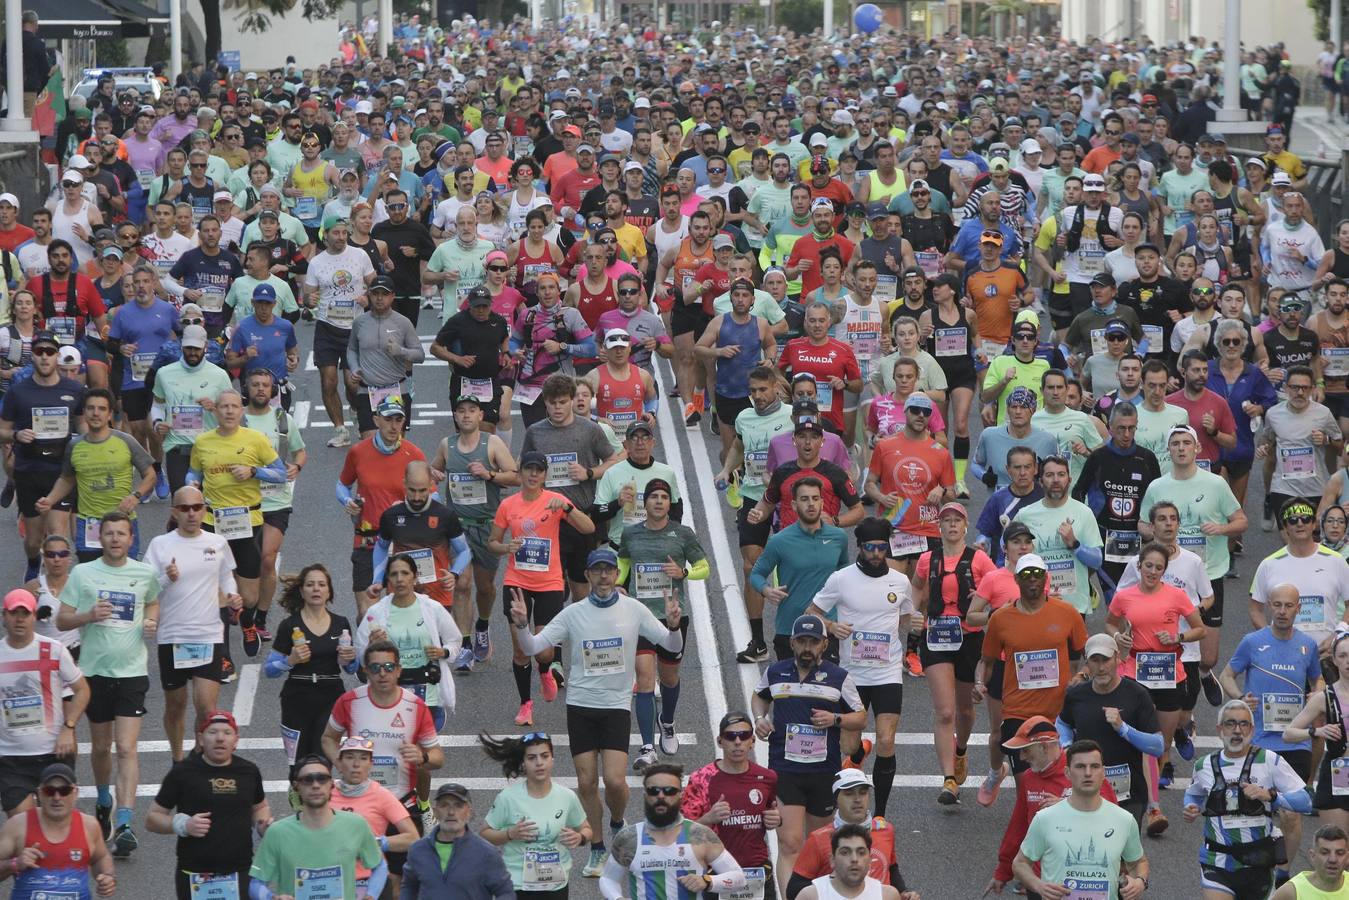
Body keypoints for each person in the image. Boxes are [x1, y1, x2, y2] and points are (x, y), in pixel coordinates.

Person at [509, 546, 683, 878]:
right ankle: (599, 847)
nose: (604, 576)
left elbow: (671, 646)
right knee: (587, 782)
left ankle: (617, 822)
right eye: (597, 570)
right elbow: (533, 647)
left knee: (616, 782)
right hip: (581, 706)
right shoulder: (573, 613)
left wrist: (673, 627)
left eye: (609, 570)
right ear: (587, 575)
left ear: (616, 574)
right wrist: (521, 626)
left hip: (616, 706)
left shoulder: (634, 609)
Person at [54, 510, 158, 856]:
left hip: (132, 672)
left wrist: (152, 621)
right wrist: (88, 616)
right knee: (101, 748)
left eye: (121, 534)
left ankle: (125, 822)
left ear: (131, 539)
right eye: (109, 533)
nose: (115, 539)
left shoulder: (144, 573)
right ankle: (102, 798)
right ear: (100, 538)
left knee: (127, 748)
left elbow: (153, 601)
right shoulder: (83, 573)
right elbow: (62, 616)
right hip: (94, 672)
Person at [752, 614, 866, 884]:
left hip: (823, 772)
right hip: (785, 769)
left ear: (824, 645)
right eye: (801, 641)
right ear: (792, 643)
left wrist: (835, 719)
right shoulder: (776, 672)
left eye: (812, 642)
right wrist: (760, 719)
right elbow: (759, 696)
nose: (807, 647)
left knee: (820, 846)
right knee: (790, 843)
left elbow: (860, 717)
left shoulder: (839, 678)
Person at [1221, 583, 1323, 881]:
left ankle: (1283, 872)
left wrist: (1313, 699)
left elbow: (1317, 680)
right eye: (1276, 605)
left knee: (1291, 812)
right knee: (1252, 807)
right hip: (1259, 740)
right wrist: (1239, 697)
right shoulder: (1252, 642)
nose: (1281, 611)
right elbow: (1227, 674)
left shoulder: (1308, 645)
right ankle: (1250, 866)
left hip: (1294, 742)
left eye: (1288, 605)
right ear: (1268, 606)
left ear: (1298, 609)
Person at [142, 486, 241, 761]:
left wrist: (232, 595)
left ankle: (199, 757)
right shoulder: (160, 545)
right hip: (173, 636)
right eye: (184, 508)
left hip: (208, 634)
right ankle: (177, 759)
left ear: (204, 509)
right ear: (174, 511)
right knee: (175, 705)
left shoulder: (217, 542)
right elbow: (146, 590)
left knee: (206, 708)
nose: (191, 513)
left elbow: (226, 577)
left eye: (197, 507)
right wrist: (165, 577)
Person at [186, 389, 287, 656]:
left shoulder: (256, 439)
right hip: (212, 523)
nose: (229, 411)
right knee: (216, 591)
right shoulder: (203, 442)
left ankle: (248, 621)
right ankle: (224, 657)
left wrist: (254, 471)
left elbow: (281, 473)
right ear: (215, 411)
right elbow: (193, 472)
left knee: (249, 594)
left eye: (234, 406)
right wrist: (192, 484)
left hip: (247, 522)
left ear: (241, 411)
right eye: (224, 407)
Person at [909, 503, 996, 804]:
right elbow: (917, 588)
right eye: (946, 521)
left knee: (965, 711)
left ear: (965, 524)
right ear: (939, 527)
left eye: (957, 520)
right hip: (936, 637)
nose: (951, 526)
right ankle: (948, 780)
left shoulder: (980, 560)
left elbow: (998, 590)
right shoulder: (926, 560)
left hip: (969, 639)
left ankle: (961, 750)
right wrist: (913, 614)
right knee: (944, 712)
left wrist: (981, 599)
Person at [617, 476, 704, 768]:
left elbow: (704, 568)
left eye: (663, 497)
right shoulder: (630, 534)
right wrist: (617, 584)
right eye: (653, 497)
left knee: (669, 678)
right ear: (645, 503)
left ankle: (667, 720)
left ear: (669, 504)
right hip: (639, 616)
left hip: (672, 617)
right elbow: (624, 563)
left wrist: (684, 572)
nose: (658, 501)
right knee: (644, 680)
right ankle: (646, 747)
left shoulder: (683, 534)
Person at [1186, 700, 1313, 900]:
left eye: (1243, 724)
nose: (1237, 730)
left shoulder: (1269, 760)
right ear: (1219, 729)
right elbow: (1193, 793)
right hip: (1217, 861)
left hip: (1258, 862)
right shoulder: (1204, 765)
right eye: (1230, 724)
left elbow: (1306, 801)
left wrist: (1271, 796)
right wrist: (1190, 806)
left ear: (1252, 730)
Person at [975, 553, 1089, 774]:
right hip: (1017, 711)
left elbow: (1090, 654)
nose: (1032, 578)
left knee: (1059, 776)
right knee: (1026, 782)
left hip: (1059, 712)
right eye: (1026, 574)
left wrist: (1082, 675)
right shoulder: (1000, 618)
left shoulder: (1067, 613)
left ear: (1045, 577)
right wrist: (979, 683)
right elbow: (986, 661)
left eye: (1037, 573)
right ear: (1016, 579)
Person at [145, 710, 271, 900]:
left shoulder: (248, 771)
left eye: (227, 733)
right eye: (213, 732)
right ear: (201, 739)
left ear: (236, 740)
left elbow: (259, 806)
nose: (220, 738)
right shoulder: (183, 772)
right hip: (195, 873)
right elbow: (152, 818)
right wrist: (183, 825)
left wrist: (262, 824)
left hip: (240, 870)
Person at [431, 395, 518, 666]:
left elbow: (514, 476)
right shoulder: (447, 445)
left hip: (487, 526)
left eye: (472, 410)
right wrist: (434, 475)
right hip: (457, 528)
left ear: (481, 415)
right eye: (461, 411)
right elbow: (433, 470)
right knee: (462, 585)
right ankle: (464, 644)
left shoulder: (491, 443)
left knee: (485, 587)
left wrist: (488, 475)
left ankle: (482, 625)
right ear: (455, 416)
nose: (466, 415)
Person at [717, 365, 794, 663]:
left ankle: (792, 635)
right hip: (753, 497)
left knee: (792, 566)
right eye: (753, 391)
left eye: (763, 390)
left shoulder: (790, 415)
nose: (758, 396)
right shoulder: (743, 417)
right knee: (751, 567)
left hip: (785, 499)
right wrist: (726, 469)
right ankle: (758, 642)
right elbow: (737, 445)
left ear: (775, 387)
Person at [1014, 740, 1149, 900]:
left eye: (1094, 766)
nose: (1087, 773)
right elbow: (1020, 863)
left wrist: (1140, 882)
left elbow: (1138, 862)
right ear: (1067, 773)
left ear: (1103, 772)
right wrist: (1039, 886)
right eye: (1080, 766)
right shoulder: (1045, 818)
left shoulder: (1124, 820)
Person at [0, 329, 86, 581]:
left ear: (57, 356)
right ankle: (33, 560)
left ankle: (57, 583)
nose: (45, 357)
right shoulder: (19, 392)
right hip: (29, 471)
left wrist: (85, 439)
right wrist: (16, 435)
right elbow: (2, 430)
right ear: (33, 357)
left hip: (62, 472)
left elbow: (81, 424)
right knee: (34, 538)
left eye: (50, 352)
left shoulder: (74, 390)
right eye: (39, 352)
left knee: (58, 532)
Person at [37, 388, 156, 563]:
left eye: (101, 409)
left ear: (109, 415)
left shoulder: (125, 441)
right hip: (89, 524)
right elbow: (67, 479)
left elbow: (150, 475)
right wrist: (50, 499)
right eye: (91, 408)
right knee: (91, 580)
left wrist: (135, 496)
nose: (95, 413)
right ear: (84, 413)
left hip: (122, 521)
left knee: (123, 577)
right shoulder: (74, 446)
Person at [248, 754, 388, 900]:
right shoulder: (277, 832)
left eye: (322, 779)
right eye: (308, 780)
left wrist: (371, 895)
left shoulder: (356, 824)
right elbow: (256, 883)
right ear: (297, 787)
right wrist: (271, 898)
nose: (316, 785)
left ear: (331, 785)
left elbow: (379, 866)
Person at [265, 563, 357, 782]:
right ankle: (299, 804)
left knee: (322, 757)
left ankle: (321, 807)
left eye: (321, 585)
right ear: (302, 591)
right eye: (310, 585)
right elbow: (270, 670)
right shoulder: (290, 625)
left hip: (331, 695)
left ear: (329, 591)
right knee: (297, 762)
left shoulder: (341, 624)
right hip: (296, 696)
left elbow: (353, 668)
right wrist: (290, 660)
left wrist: (348, 661)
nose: (316, 589)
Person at [602, 763, 748, 899]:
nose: (661, 796)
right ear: (645, 794)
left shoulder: (700, 835)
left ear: (681, 795)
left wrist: (708, 881)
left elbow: (738, 878)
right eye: (654, 791)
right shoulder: (629, 838)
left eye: (669, 791)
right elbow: (608, 879)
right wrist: (617, 898)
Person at [0, 587, 87, 816]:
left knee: (56, 825)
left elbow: (82, 690)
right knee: (23, 830)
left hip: (53, 754)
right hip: (11, 757)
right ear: (4, 616)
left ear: (34, 616)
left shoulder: (53, 650)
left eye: (25, 613)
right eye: (13, 613)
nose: (19, 619)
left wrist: (68, 728)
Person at [337, 395, 426, 615]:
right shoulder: (358, 451)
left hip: (402, 541)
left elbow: (432, 496)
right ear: (376, 420)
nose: (393, 426)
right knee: (368, 613)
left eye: (398, 420)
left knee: (402, 611)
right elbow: (342, 484)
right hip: (367, 540)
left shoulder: (413, 454)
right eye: (388, 419)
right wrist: (347, 500)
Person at [750, 476, 852, 660]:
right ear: (795, 505)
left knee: (827, 688)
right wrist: (767, 590)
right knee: (790, 689)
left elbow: (844, 570)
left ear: (822, 502)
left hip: (827, 629)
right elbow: (756, 573)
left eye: (815, 498)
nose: (811, 504)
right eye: (804, 499)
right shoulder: (779, 541)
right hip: (790, 629)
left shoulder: (839, 537)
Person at [682, 712, 781, 900]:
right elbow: (680, 835)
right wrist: (708, 819)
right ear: (720, 741)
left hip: (757, 873)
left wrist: (776, 819)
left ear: (752, 741)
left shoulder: (768, 778)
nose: (737, 742)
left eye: (743, 736)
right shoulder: (702, 779)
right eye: (730, 736)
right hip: (716, 875)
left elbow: (772, 811)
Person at [479, 731, 591, 897]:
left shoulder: (566, 796)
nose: (539, 763)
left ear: (552, 759)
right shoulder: (508, 798)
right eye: (532, 758)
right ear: (523, 763)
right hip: (517, 885)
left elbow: (587, 829)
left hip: (556, 885)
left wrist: (580, 837)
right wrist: (510, 834)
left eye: (544, 756)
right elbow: (484, 834)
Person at [370, 460, 471, 639]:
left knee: (436, 652)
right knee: (402, 648)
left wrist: (454, 574)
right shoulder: (391, 516)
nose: (417, 497)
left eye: (423, 491)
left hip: (437, 595)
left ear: (431, 485)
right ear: (404, 484)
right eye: (412, 490)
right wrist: (378, 579)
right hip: (401, 593)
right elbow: (381, 547)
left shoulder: (445, 515)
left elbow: (464, 551)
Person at [0, 762, 115, 900]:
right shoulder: (18, 825)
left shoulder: (89, 826)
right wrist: (14, 863)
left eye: (64, 791)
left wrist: (107, 877)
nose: (56, 797)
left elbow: (100, 858)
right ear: (39, 793)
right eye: (49, 791)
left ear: (75, 793)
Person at [400, 781, 515, 900]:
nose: (451, 812)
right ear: (435, 812)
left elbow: (505, 892)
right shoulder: (417, 850)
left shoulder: (487, 853)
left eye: (458, 805)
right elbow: (409, 887)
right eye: (444, 805)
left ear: (469, 812)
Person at [793, 825, 907, 900]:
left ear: (869, 860)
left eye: (861, 852)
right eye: (845, 852)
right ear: (832, 860)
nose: (854, 859)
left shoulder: (887, 896)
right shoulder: (811, 896)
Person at [1270, 824, 1349, 899]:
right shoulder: (1292, 892)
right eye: (1325, 852)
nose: (1332, 859)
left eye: (1340, 853)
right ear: (1313, 855)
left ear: (1347, 857)